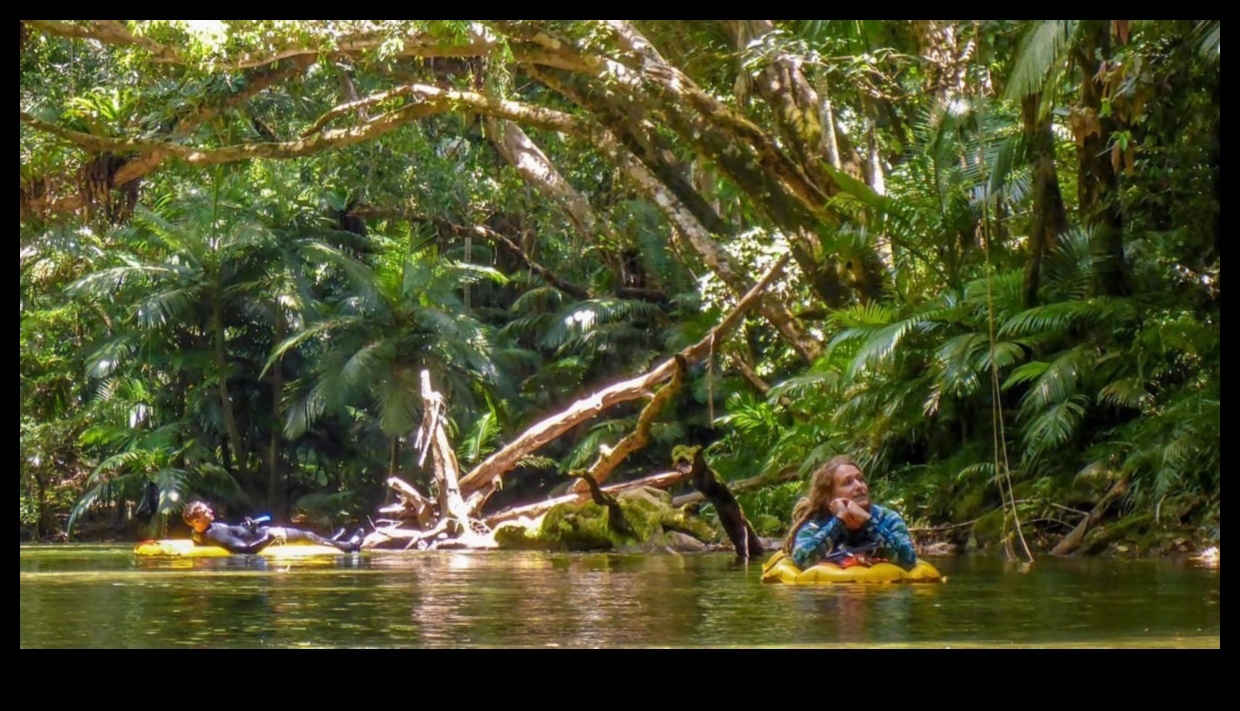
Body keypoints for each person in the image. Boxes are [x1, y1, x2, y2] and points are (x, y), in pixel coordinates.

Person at [783, 455, 918, 571]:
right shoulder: (817, 523)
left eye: (860, 479)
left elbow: (909, 561)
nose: (859, 486)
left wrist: (868, 521)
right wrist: (839, 521)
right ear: (829, 497)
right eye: (848, 483)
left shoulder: (888, 518)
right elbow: (802, 562)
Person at [181, 501, 363, 555]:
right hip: (269, 537)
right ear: (196, 520)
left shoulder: (197, 533)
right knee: (308, 536)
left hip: (256, 533)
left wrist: (247, 529)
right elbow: (245, 550)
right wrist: (271, 538)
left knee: (311, 535)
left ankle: (335, 540)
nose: (210, 511)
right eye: (205, 512)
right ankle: (350, 547)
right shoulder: (216, 535)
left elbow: (236, 535)